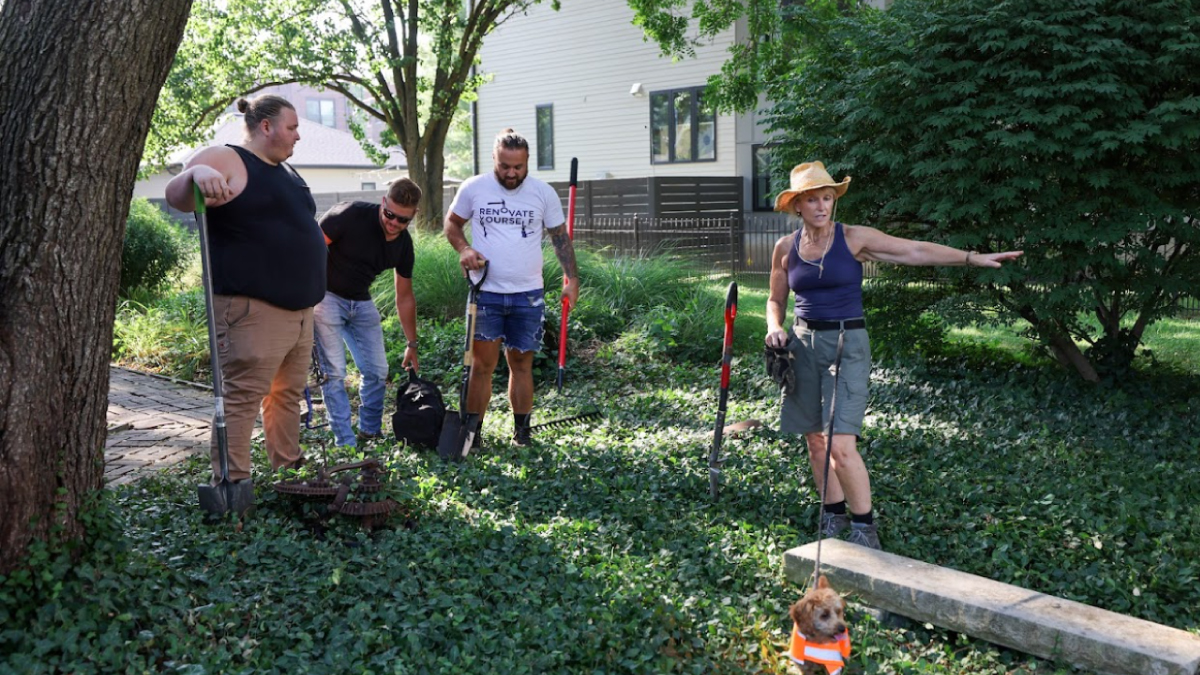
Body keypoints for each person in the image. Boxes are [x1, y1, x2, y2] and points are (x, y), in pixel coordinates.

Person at [765, 161, 1022, 550]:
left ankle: (864, 528)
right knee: (815, 440)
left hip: (846, 343)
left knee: (840, 444)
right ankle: (832, 514)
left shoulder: (853, 238)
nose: (821, 206)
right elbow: (775, 299)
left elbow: (914, 250)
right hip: (802, 345)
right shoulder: (785, 248)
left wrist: (971, 258)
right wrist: (774, 325)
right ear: (797, 205)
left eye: (827, 198)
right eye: (812, 199)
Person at [164, 94, 326, 484]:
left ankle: (288, 471)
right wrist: (196, 175)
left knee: (287, 395)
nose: (298, 136)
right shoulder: (228, 158)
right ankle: (232, 485)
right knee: (242, 398)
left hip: (299, 312)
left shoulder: (286, 171)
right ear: (266, 126)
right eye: (292, 127)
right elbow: (175, 195)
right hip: (253, 309)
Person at [443, 128, 580, 446]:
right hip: (485, 293)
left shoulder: (543, 193)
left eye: (518, 166)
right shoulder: (474, 188)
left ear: (527, 161)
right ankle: (472, 436)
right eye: (504, 166)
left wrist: (572, 279)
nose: (511, 173)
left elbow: (560, 237)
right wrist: (464, 248)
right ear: (494, 158)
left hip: (527, 295)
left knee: (521, 364)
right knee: (482, 366)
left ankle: (522, 433)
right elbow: (452, 224)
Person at [314, 178, 422, 447]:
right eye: (389, 214)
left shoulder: (403, 245)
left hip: (360, 301)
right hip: (326, 296)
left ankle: (370, 432)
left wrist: (412, 343)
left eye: (403, 220)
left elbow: (404, 297)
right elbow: (309, 247)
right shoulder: (350, 214)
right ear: (383, 202)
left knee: (377, 370)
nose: (394, 223)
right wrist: (303, 297)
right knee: (334, 372)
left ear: (413, 216)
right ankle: (345, 443)